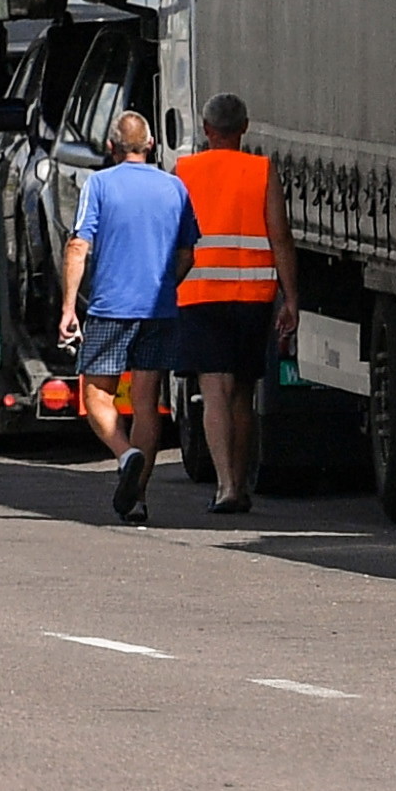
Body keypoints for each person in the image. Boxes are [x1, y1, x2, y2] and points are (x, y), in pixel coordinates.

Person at [62, 106, 195, 525]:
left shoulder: (99, 184)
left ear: (111, 146)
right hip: (159, 310)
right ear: (151, 144)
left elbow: (78, 246)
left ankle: (125, 454)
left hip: (111, 309)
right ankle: (137, 498)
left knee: (96, 394)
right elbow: (188, 254)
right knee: (145, 402)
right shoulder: (175, 187)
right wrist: (164, 286)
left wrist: (68, 307)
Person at [172, 96, 296, 520]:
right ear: (244, 128)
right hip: (252, 296)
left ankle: (225, 485)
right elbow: (280, 237)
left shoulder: (184, 172)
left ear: (206, 129)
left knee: (214, 393)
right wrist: (291, 298)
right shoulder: (261, 171)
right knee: (242, 392)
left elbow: (175, 238)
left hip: (200, 294)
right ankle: (240, 484)